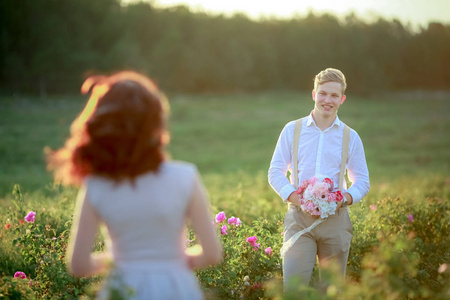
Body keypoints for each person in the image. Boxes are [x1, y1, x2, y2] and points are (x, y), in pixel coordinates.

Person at [47, 71, 222, 299]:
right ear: (156, 124)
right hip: (176, 287)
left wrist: (123, 259)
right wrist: (173, 259)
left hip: (120, 289)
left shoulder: (96, 185)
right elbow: (212, 255)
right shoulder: (185, 177)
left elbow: (79, 265)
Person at [268, 68, 370, 290]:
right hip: (298, 220)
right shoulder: (291, 130)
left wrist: (343, 199)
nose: (327, 100)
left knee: (331, 291)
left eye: (334, 95)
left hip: (336, 221)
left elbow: (362, 180)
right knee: (293, 289)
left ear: (342, 99)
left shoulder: (350, 136)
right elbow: (275, 171)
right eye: (323, 93)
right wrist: (297, 199)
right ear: (314, 94)